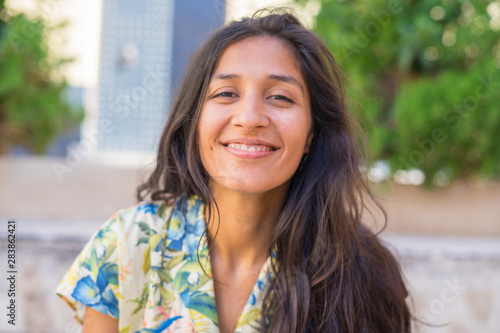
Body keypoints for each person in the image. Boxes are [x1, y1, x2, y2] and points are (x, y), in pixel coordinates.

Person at [56, 8, 411, 333]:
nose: (250, 118)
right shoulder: (128, 244)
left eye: (280, 97)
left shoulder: (362, 271)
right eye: (226, 93)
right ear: (195, 121)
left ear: (310, 135)